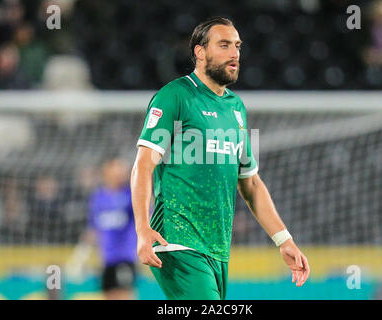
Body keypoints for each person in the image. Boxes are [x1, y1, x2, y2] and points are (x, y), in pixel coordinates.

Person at [131, 17, 310, 300]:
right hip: (177, 241)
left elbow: (250, 183)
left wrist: (283, 239)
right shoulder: (175, 96)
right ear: (200, 52)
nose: (234, 53)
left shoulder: (236, 108)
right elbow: (143, 165)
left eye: (237, 46)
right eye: (224, 45)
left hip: (217, 249)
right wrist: (142, 229)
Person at [67, 156, 138, 300]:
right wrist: (79, 259)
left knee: (124, 295)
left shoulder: (131, 195)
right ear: (106, 171)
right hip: (106, 259)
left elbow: (145, 218)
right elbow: (92, 230)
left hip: (125, 258)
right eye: (117, 167)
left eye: (122, 168)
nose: (121, 172)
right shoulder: (98, 197)